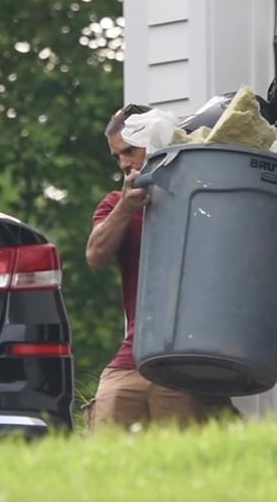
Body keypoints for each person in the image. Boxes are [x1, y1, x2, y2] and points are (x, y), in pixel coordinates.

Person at [83, 104, 236, 430]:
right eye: (116, 156)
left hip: (188, 362)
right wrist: (126, 207)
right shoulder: (116, 203)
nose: (124, 163)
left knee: (188, 466)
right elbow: (95, 256)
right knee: (102, 459)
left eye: (130, 150)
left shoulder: (204, 197)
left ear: (155, 140)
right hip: (131, 360)